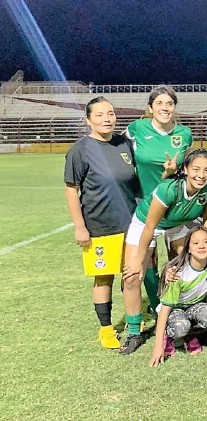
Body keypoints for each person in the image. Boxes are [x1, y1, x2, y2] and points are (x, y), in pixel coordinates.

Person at [121, 149, 207, 355]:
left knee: (189, 271)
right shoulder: (170, 188)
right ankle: (135, 332)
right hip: (147, 223)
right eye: (196, 169)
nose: (201, 175)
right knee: (131, 276)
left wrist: (202, 241)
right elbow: (149, 227)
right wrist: (138, 260)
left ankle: (184, 323)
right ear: (185, 170)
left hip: (179, 225)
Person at [64, 97, 138, 349]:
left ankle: (133, 320)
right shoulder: (80, 150)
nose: (107, 119)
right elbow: (71, 189)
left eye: (110, 114)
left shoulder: (124, 144)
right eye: (99, 115)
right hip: (100, 225)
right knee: (104, 277)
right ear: (88, 120)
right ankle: (106, 329)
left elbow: (135, 182)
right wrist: (79, 226)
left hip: (131, 224)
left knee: (131, 276)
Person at [149, 227, 207, 367]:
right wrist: (157, 347)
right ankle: (168, 336)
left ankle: (191, 335)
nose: (201, 246)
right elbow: (165, 311)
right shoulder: (178, 273)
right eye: (195, 243)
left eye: (206, 242)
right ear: (187, 248)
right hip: (174, 309)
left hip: (194, 306)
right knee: (181, 326)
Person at [126, 85, 193, 199]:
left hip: (173, 201)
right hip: (142, 200)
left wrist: (174, 170)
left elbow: (188, 165)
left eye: (170, 104)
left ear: (174, 108)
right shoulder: (137, 127)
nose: (165, 108)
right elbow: (119, 149)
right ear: (150, 108)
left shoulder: (185, 133)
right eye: (159, 103)